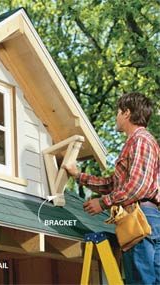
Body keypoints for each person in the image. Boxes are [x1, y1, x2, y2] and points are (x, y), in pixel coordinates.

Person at [64, 92, 160, 285]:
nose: (116, 117)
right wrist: (78, 175)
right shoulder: (136, 142)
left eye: (118, 112)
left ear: (126, 113)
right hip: (144, 216)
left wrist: (103, 202)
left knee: (141, 281)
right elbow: (112, 185)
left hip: (140, 217)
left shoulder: (140, 140)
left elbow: (137, 186)